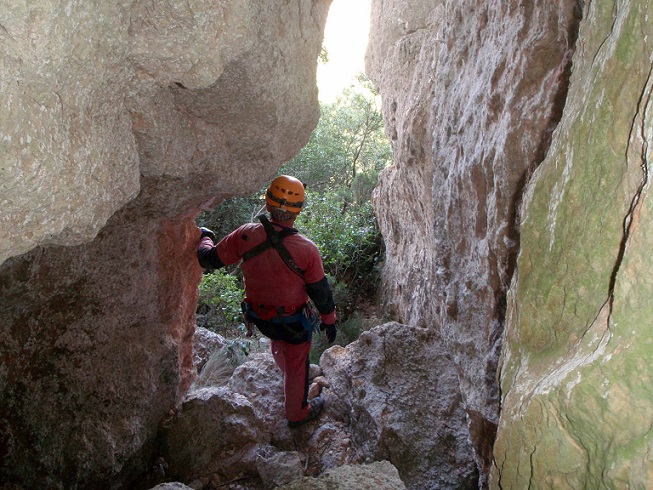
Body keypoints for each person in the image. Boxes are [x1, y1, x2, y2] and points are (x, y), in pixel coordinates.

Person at [197, 175, 337, 428]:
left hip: (260, 319)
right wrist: (330, 321)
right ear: (299, 210)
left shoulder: (246, 235)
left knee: (278, 339)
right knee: (297, 358)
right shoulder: (306, 249)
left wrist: (204, 236)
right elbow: (321, 293)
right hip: (292, 323)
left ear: (268, 204)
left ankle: (286, 371)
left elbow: (208, 259)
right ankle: (297, 412)